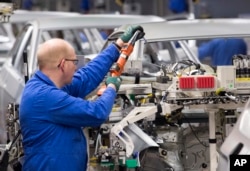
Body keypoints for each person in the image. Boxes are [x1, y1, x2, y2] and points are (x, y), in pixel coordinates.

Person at [19, 25, 144, 171]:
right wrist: (111, 88)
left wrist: (117, 46)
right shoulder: (44, 97)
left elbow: (85, 77)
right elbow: (96, 113)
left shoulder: (46, 84)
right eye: (74, 62)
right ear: (63, 64)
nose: (76, 67)